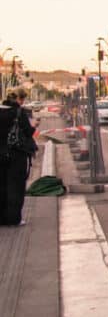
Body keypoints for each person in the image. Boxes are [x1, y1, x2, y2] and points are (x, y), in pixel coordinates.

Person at [0, 88, 36, 226]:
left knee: (2, 185)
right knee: (16, 186)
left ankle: (2, 218)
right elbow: (28, 132)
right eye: (23, 99)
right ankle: (14, 218)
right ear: (19, 99)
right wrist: (34, 126)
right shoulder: (19, 113)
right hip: (16, 155)